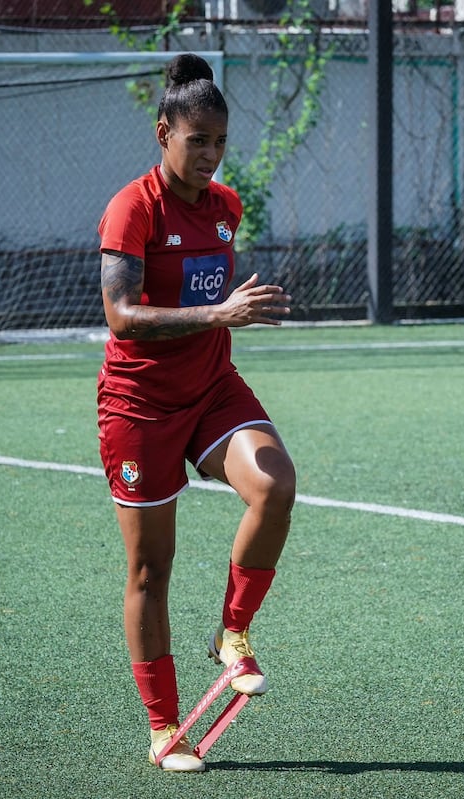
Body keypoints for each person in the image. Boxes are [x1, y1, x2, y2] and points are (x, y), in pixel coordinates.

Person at [95, 52, 296, 772]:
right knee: (152, 569)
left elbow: (207, 302)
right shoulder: (132, 208)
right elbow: (121, 315)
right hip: (139, 406)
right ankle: (163, 727)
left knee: (275, 484)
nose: (210, 154)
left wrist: (228, 316)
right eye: (196, 139)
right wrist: (223, 309)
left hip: (211, 388)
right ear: (163, 133)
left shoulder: (226, 207)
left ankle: (232, 631)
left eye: (219, 140)